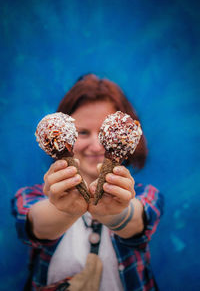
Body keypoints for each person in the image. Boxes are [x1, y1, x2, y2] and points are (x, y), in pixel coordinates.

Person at [12, 74, 164, 291]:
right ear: (65, 135)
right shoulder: (32, 195)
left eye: (103, 132)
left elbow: (137, 222)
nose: (96, 146)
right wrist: (64, 209)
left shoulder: (145, 195)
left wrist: (115, 212)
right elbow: (36, 226)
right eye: (83, 132)